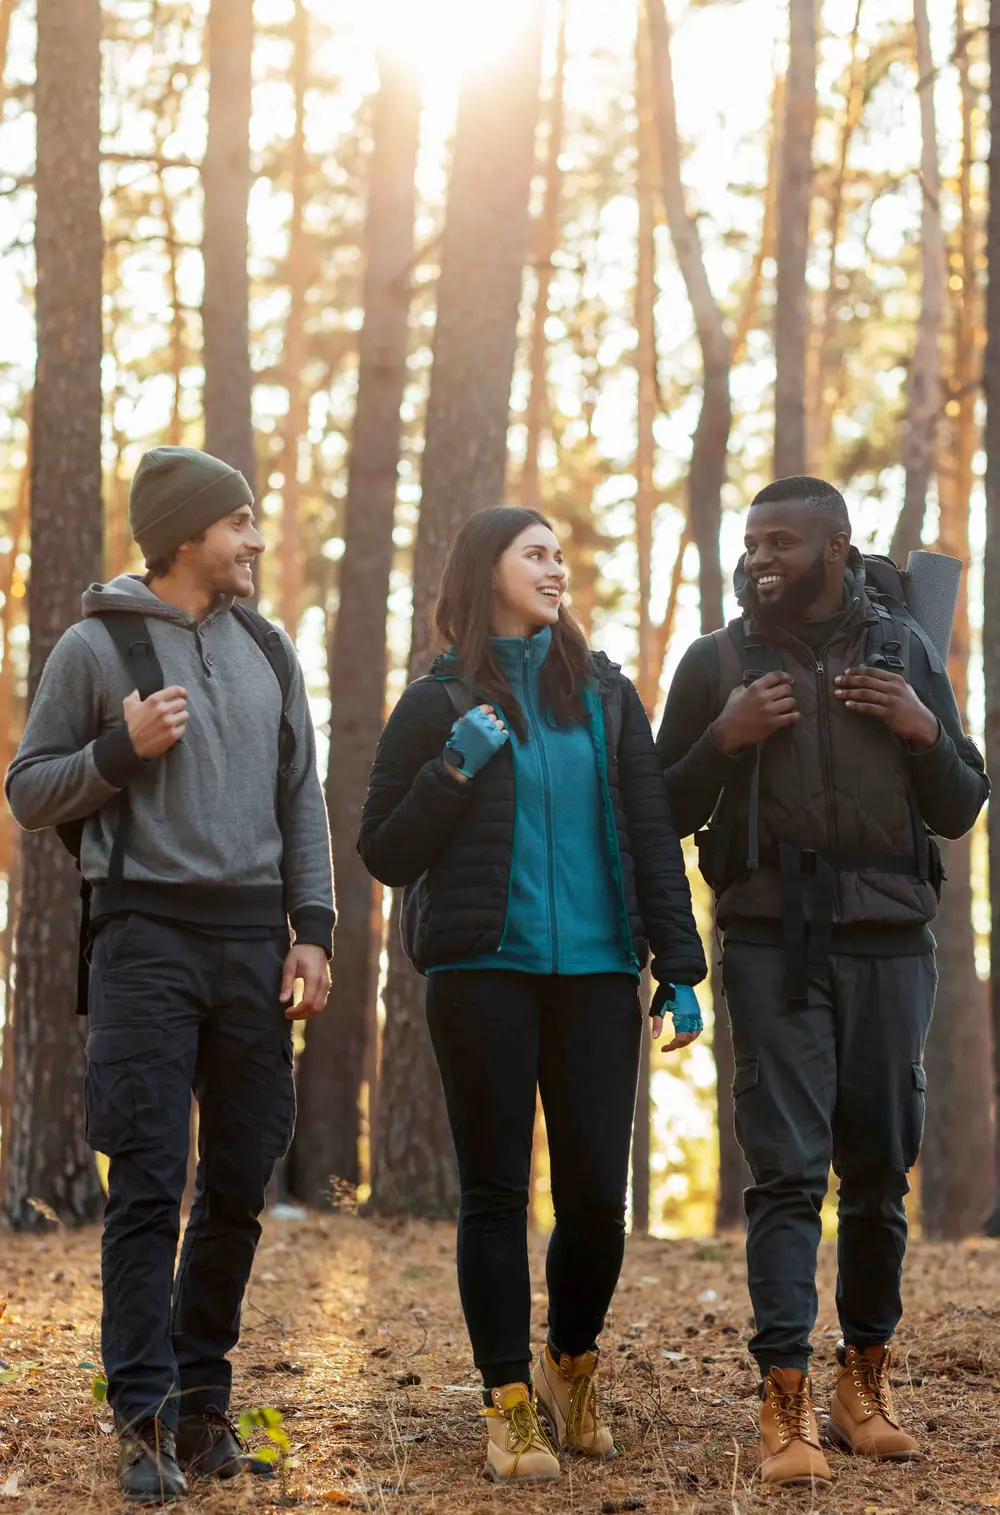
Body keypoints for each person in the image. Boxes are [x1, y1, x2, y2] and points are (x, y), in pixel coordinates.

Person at [7, 446, 335, 1505]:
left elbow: (302, 800)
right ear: (188, 533)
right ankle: (140, 1417)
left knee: (239, 1182)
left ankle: (203, 1408)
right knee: (149, 1182)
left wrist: (312, 931)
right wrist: (121, 748)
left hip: (253, 946)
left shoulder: (268, 648)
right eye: (239, 523)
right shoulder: (97, 646)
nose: (253, 540)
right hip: (143, 942)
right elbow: (28, 790)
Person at [358, 505, 706, 1485]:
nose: (558, 569)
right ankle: (506, 1400)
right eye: (536, 554)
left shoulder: (601, 695)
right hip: (482, 974)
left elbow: (648, 832)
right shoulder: (437, 701)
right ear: (486, 571)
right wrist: (454, 765)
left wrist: (679, 966)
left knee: (598, 1200)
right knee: (496, 1193)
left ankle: (569, 1368)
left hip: (599, 974)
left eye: (561, 554)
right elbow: (384, 849)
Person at [657, 476, 989, 1486]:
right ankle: (784, 1400)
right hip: (768, 945)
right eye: (751, 541)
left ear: (837, 547)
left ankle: (863, 1382)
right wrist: (726, 737)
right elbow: (657, 805)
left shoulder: (908, 652)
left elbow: (962, 803)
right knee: (787, 1171)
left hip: (892, 943)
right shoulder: (715, 661)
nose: (758, 557)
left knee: (879, 1173)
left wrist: (919, 728)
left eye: (781, 542)